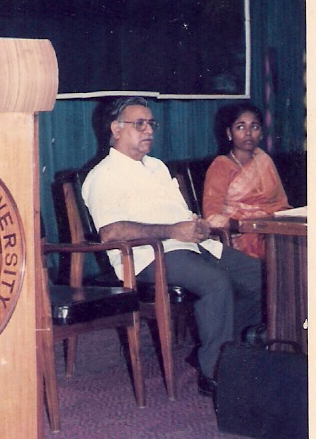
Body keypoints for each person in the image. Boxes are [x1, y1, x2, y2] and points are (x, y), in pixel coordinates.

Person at [82, 96, 262, 397]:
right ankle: (215, 373)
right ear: (115, 129)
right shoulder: (103, 176)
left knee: (260, 277)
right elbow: (111, 232)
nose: (149, 130)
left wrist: (198, 226)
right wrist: (172, 231)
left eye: (151, 123)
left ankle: (226, 351)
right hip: (146, 255)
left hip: (190, 245)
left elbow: (178, 215)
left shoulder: (157, 168)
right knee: (216, 282)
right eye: (139, 124)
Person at [202, 100, 289, 260]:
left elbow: (281, 205)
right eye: (240, 127)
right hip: (236, 237)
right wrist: (245, 224)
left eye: (254, 127)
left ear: (261, 133)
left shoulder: (265, 161)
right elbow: (212, 217)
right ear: (229, 133)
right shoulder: (221, 166)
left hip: (270, 232)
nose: (248, 133)